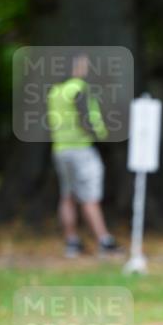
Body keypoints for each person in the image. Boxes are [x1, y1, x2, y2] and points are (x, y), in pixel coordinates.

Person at [47, 54, 121, 258]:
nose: (86, 69)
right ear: (75, 67)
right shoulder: (78, 87)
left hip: (61, 148)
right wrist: (100, 135)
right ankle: (104, 241)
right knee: (90, 196)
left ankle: (71, 242)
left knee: (68, 196)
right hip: (82, 148)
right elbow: (85, 117)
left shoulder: (55, 91)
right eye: (83, 65)